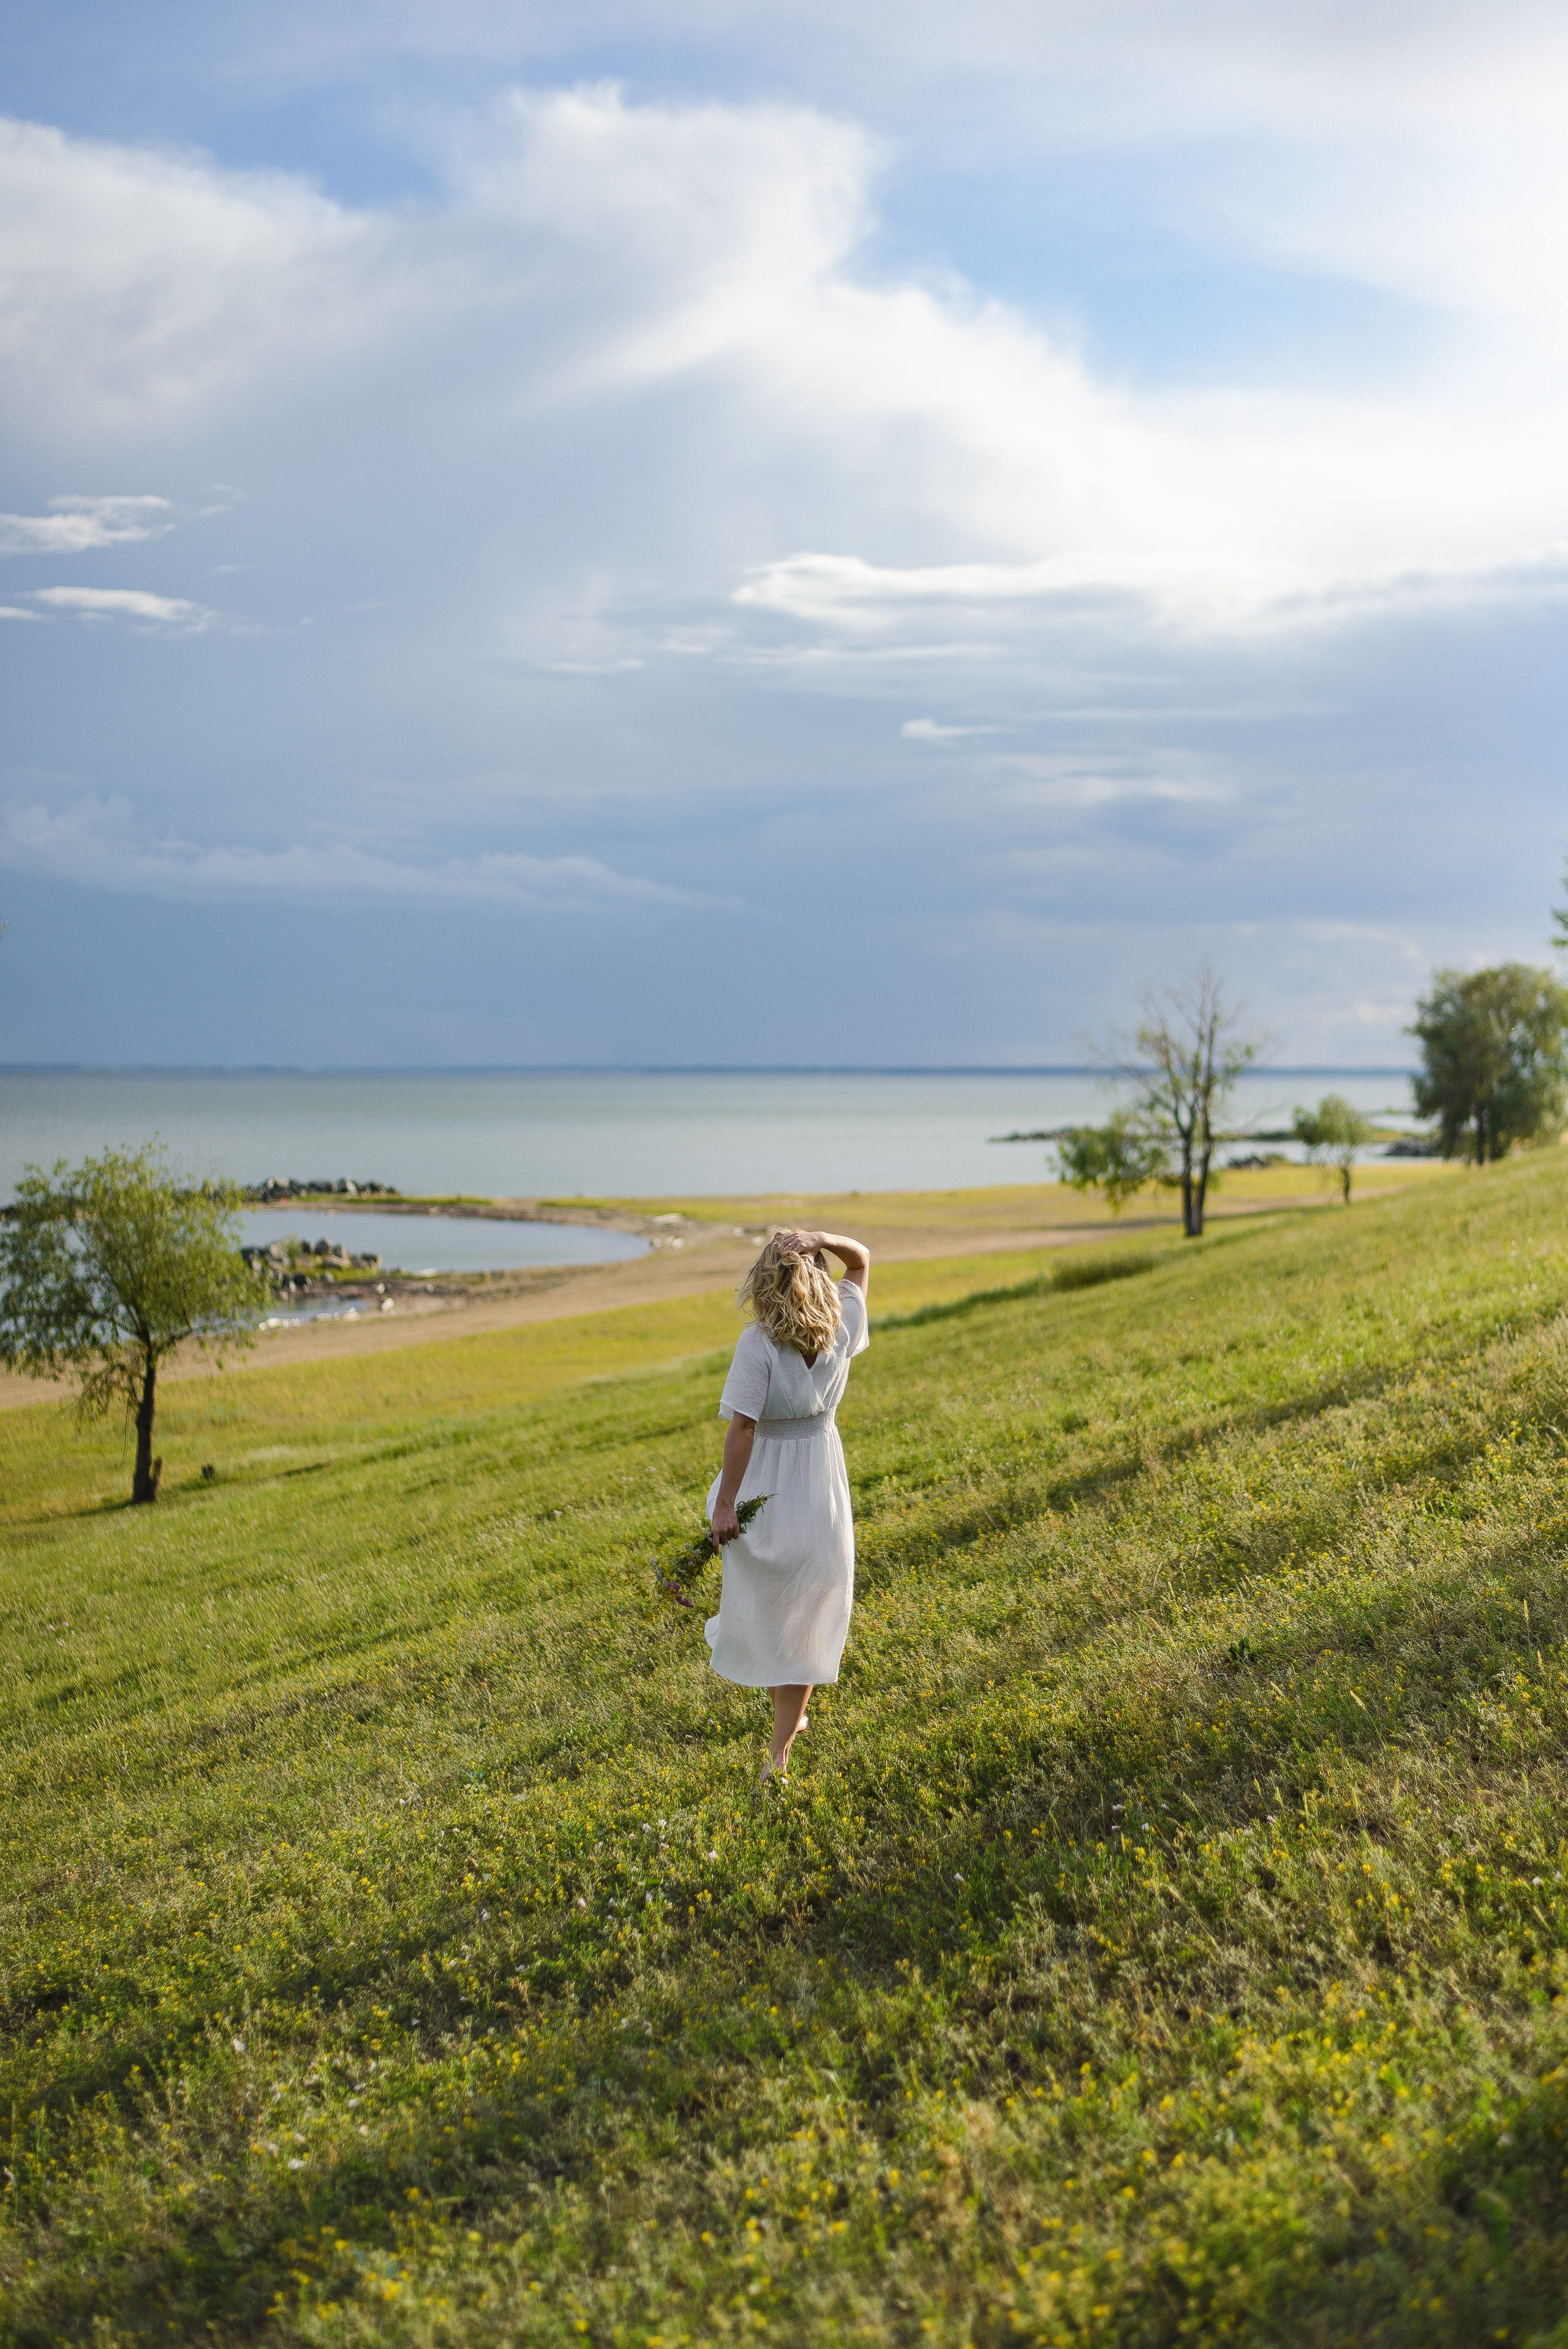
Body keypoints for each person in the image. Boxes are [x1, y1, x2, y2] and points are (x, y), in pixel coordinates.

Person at [706, 1226, 872, 1785]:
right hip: (821, 1476)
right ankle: (791, 1717)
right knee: (805, 1603)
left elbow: (744, 1429)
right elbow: (862, 1259)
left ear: (767, 1284)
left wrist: (726, 1503)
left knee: (778, 1604)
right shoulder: (842, 1322)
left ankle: (778, 1752)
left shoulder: (759, 1342)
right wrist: (822, 1236)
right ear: (817, 1277)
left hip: (767, 1482)